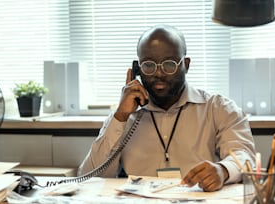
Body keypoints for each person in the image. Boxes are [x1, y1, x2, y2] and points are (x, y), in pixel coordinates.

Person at [78, 24, 256, 192]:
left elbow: (244, 156)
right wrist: (121, 117)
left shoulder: (218, 109)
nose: (159, 73)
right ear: (137, 69)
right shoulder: (124, 117)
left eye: (169, 64)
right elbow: (88, 177)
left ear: (185, 65)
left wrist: (223, 170)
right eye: (148, 65)